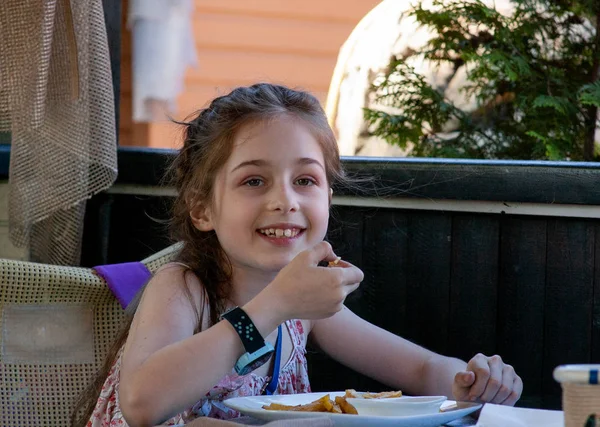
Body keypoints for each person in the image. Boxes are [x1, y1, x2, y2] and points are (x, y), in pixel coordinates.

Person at [73, 83, 523, 427]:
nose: (285, 200)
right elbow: (141, 404)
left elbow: (421, 368)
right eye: (253, 181)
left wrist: (473, 381)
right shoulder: (183, 289)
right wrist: (274, 305)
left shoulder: (306, 310)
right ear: (202, 208)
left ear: (328, 196)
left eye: (305, 181)